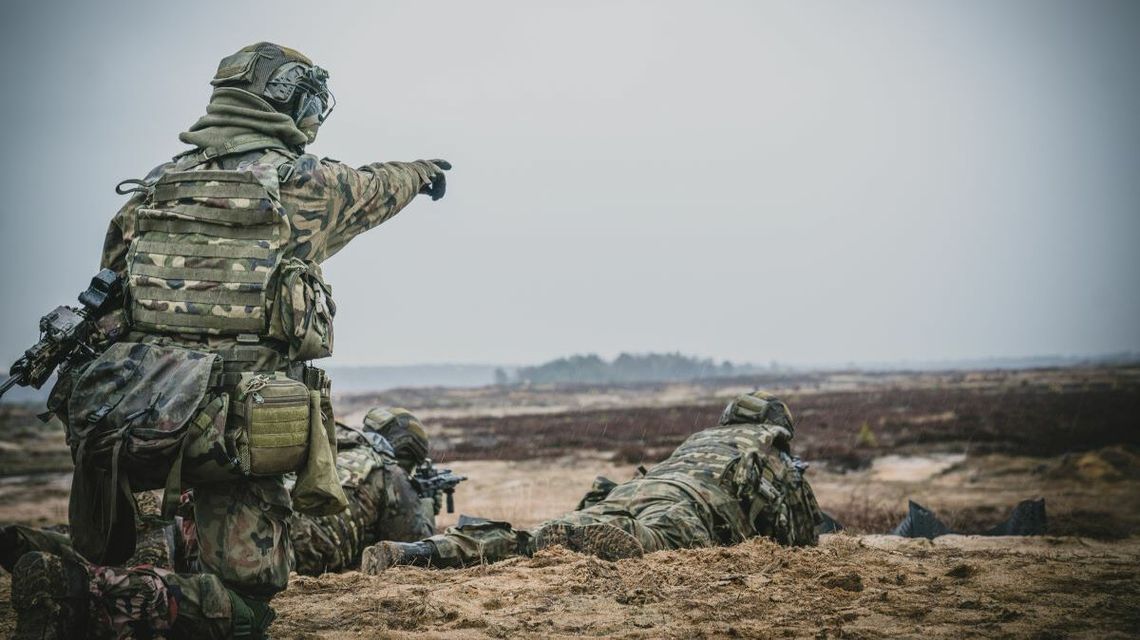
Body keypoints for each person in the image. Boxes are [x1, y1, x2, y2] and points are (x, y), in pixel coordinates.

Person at [11, 41, 451, 640]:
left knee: (144, 549)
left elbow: (111, 295)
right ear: (287, 99)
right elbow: (378, 187)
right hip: (237, 432)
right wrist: (422, 173)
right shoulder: (301, 185)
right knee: (249, 609)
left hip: (138, 422)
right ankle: (88, 599)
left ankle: (60, 567)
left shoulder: (155, 187)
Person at [361, 391, 823, 572]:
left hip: (631, 493)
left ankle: (419, 554)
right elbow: (802, 539)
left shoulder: (700, 439)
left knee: (530, 540)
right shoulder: (771, 454)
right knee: (654, 540)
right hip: (688, 511)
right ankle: (621, 536)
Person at [2, 408, 442, 580]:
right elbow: (412, 547)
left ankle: (34, 542)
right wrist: (424, 503)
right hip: (276, 548)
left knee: (139, 549)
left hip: (226, 511)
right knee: (155, 569)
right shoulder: (387, 473)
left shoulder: (329, 443)